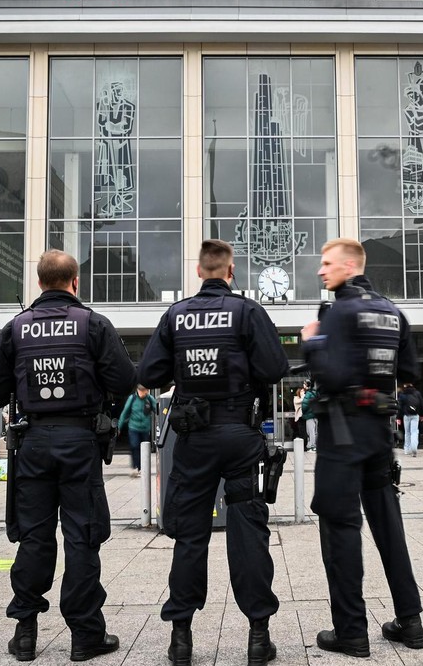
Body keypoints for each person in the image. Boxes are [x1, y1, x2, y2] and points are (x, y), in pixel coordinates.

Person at [138, 239, 288, 666]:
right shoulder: (248, 312)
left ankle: (181, 638)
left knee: (190, 536)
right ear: (231, 270)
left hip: (195, 441)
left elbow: (149, 373)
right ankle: (259, 635)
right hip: (241, 435)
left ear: (199, 271)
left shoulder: (176, 315)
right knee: (248, 535)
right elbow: (275, 369)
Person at [0, 250, 135, 662]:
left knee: (34, 536)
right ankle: (86, 635)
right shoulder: (94, 325)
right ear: (75, 282)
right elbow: (125, 379)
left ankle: (26, 632)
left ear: (39, 283)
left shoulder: (15, 329)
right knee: (82, 537)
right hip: (80, 442)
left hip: (32, 443)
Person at [301, 238, 423, 658]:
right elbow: (408, 371)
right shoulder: (393, 311)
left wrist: (313, 342)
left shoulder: (339, 311)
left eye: (328, 263)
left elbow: (332, 376)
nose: (322, 270)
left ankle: (350, 631)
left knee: (340, 527)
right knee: (389, 524)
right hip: (379, 431)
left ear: (350, 265)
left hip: (341, 431)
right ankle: (411, 622)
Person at [118, 385, 156, 479]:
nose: (144, 393)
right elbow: (125, 412)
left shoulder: (150, 399)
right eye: (142, 391)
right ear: (138, 391)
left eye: (145, 391)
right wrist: (119, 427)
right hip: (133, 427)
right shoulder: (132, 398)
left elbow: (157, 409)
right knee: (134, 446)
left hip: (145, 428)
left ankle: (143, 468)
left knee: (144, 448)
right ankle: (136, 467)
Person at [396, 383, 423, 457]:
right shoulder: (417, 393)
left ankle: (407, 450)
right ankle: (414, 448)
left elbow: (400, 407)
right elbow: (421, 404)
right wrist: (422, 415)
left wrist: (398, 417)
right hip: (415, 415)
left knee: (407, 433)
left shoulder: (403, 394)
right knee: (414, 432)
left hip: (406, 416)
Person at [302, 382, 319, 452]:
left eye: (304, 384)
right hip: (316, 415)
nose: (303, 385)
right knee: (315, 432)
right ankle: (315, 446)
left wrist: (303, 411)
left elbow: (304, 406)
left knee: (310, 432)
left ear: (307, 386)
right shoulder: (316, 393)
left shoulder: (308, 394)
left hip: (309, 416)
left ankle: (313, 447)